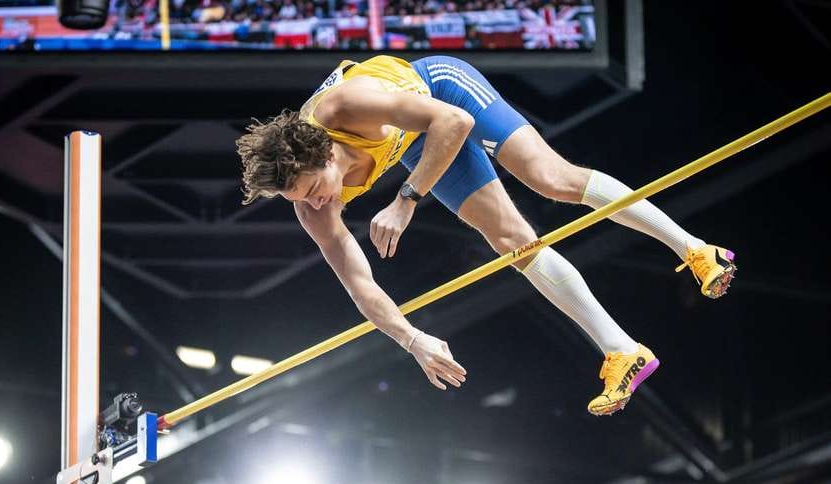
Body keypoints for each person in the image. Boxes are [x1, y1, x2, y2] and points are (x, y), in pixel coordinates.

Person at [235, 55, 736, 416]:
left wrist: (406, 199)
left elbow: (454, 120)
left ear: (323, 154)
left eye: (314, 189)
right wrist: (412, 340)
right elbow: (359, 283)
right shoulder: (311, 208)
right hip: (416, 139)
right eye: (299, 200)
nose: (317, 203)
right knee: (512, 241)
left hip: (442, 92)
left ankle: (695, 249)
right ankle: (622, 349)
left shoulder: (347, 108)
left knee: (551, 179)